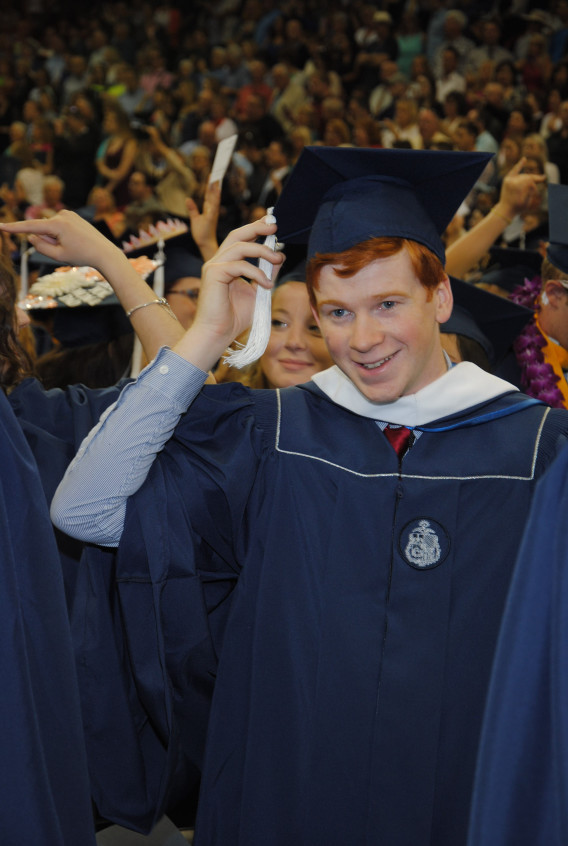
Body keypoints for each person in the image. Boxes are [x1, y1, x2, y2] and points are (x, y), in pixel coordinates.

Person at [28, 147, 568, 845]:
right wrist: (209, 334)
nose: (364, 339)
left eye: (388, 304)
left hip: (464, 807)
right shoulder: (275, 437)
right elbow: (82, 509)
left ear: (440, 298)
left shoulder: (540, 453)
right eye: (336, 313)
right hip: (290, 803)